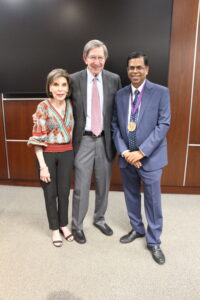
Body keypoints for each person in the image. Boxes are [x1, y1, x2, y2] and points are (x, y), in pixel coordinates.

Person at [112, 51, 170, 264]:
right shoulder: (120, 95)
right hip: (127, 157)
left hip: (150, 158)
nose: (134, 71)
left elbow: (163, 124)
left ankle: (154, 241)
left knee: (153, 201)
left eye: (139, 67)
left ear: (147, 69)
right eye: (131, 68)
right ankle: (137, 229)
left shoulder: (161, 92)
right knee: (131, 195)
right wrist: (126, 152)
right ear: (127, 70)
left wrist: (142, 152)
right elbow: (115, 126)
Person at [71, 39, 121, 243]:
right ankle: (77, 225)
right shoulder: (73, 79)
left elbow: (118, 110)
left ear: (105, 59)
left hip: (104, 140)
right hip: (83, 140)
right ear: (85, 58)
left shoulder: (114, 79)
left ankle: (99, 219)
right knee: (81, 186)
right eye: (93, 57)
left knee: (103, 184)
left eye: (100, 57)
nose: (97, 61)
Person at [28, 68, 74, 247]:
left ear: (68, 88)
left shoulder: (72, 104)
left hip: (67, 153)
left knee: (64, 192)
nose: (60, 89)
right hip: (46, 155)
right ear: (49, 87)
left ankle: (63, 225)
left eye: (63, 85)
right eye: (56, 85)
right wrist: (42, 166)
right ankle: (54, 228)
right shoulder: (43, 106)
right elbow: (37, 137)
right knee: (50, 193)